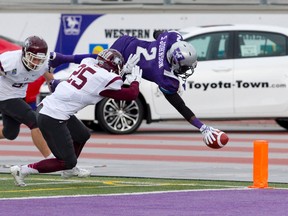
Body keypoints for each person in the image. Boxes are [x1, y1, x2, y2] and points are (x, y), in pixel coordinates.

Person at [48, 30, 222, 145]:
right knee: (98, 87)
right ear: (175, 62)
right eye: (184, 67)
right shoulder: (165, 77)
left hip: (126, 42)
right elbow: (179, 105)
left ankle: (61, 58)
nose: (186, 70)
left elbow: (157, 33)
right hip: (127, 65)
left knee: (94, 64)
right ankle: (58, 83)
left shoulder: (171, 39)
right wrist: (201, 126)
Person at [10, 49, 142, 186]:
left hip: (49, 108)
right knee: (65, 161)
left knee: (81, 134)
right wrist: (135, 81)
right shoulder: (105, 79)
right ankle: (23, 170)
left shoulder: (89, 63)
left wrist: (124, 72)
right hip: (53, 116)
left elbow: (91, 60)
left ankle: (69, 170)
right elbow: (131, 94)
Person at [0, 35, 90, 179]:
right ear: (24, 53)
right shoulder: (9, 60)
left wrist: (60, 96)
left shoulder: (44, 63)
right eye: (33, 58)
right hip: (3, 97)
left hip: (18, 96)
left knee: (10, 133)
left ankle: (62, 162)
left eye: (39, 60)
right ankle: (50, 158)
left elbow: (50, 80)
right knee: (35, 121)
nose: (36, 63)